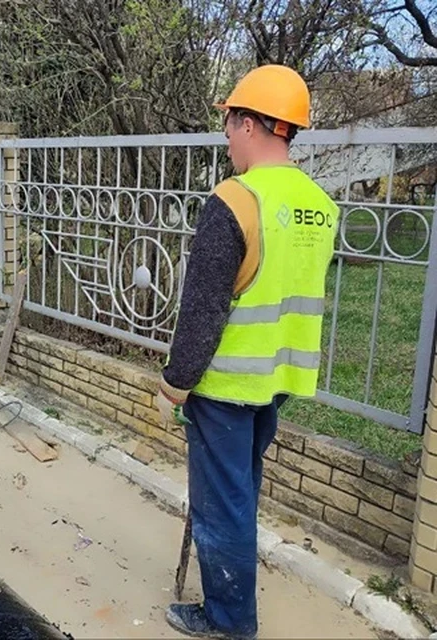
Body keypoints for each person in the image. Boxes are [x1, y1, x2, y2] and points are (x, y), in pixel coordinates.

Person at [156, 64, 338, 640]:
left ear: (255, 124)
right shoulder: (317, 204)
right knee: (240, 494)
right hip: (277, 382)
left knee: (221, 508)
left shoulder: (235, 200)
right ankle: (231, 603)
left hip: (226, 387)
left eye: (231, 124)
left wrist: (174, 383)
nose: (227, 137)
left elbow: (203, 309)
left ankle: (229, 621)